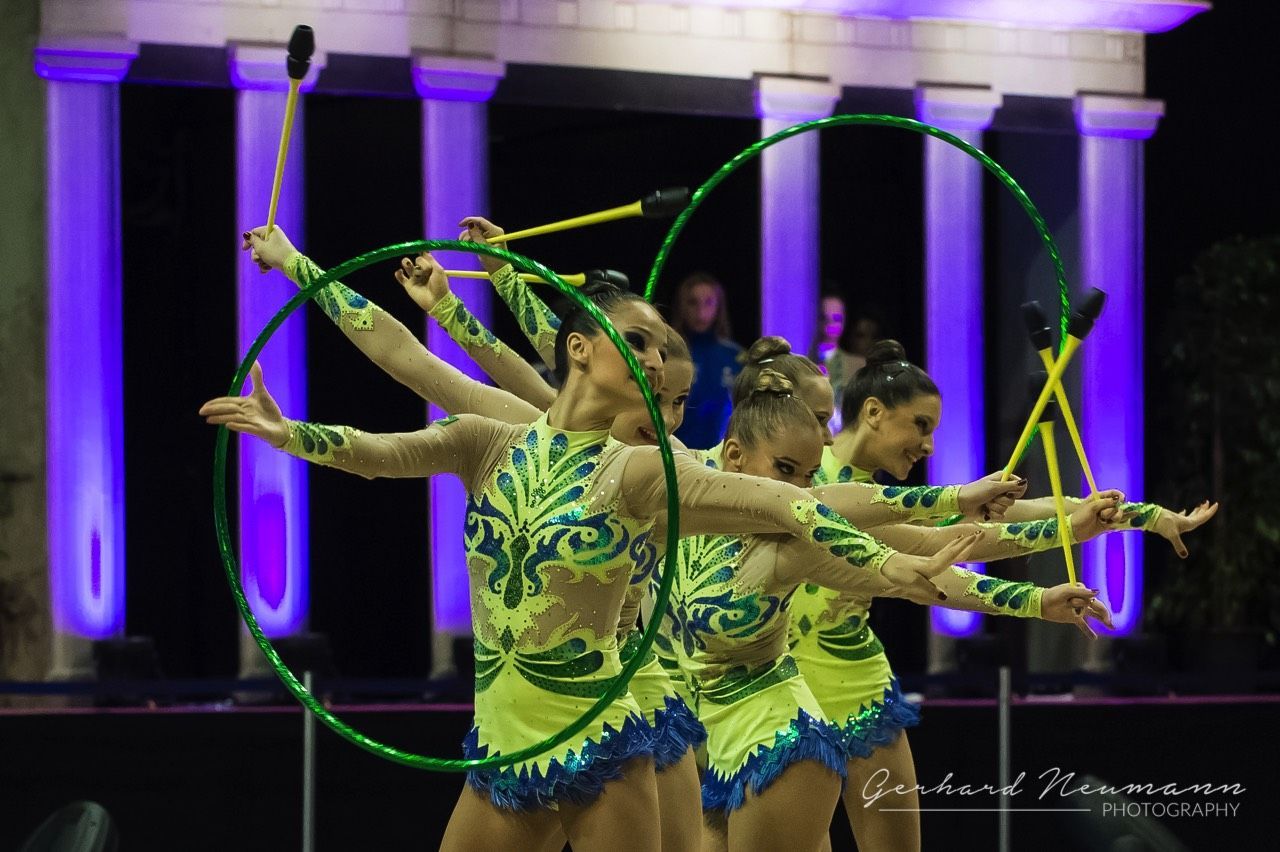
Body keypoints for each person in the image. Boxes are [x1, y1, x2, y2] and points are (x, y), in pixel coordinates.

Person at [217, 227, 992, 851]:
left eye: (662, 355)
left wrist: (914, 553)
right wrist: (296, 298)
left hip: (611, 732)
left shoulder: (647, 470)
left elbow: (795, 506)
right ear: (582, 348)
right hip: (508, 744)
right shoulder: (492, 439)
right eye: (640, 342)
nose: (655, 360)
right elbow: (398, 391)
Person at [802, 339, 1218, 852]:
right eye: (921, 426)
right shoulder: (808, 480)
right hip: (786, 680)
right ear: (873, 412)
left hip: (858, 678)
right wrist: (1052, 563)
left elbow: (1020, 514)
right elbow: (947, 557)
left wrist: (1145, 516)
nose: (929, 446)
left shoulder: (888, 498)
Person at [670, 272, 742, 449]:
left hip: (724, 454)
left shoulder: (736, 356)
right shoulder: (669, 353)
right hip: (676, 452)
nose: (700, 311)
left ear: (719, 307)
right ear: (681, 306)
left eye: (708, 302)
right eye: (692, 302)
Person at [824, 310, 881, 433]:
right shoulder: (832, 364)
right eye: (861, 336)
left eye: (874, 336)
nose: (868, 342)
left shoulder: (882, 376)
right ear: (850, 337)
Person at [808, 291, 847, 364]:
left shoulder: (854, 364)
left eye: (836, 319)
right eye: (824, 318)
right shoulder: (803, 360)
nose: (830, 324)